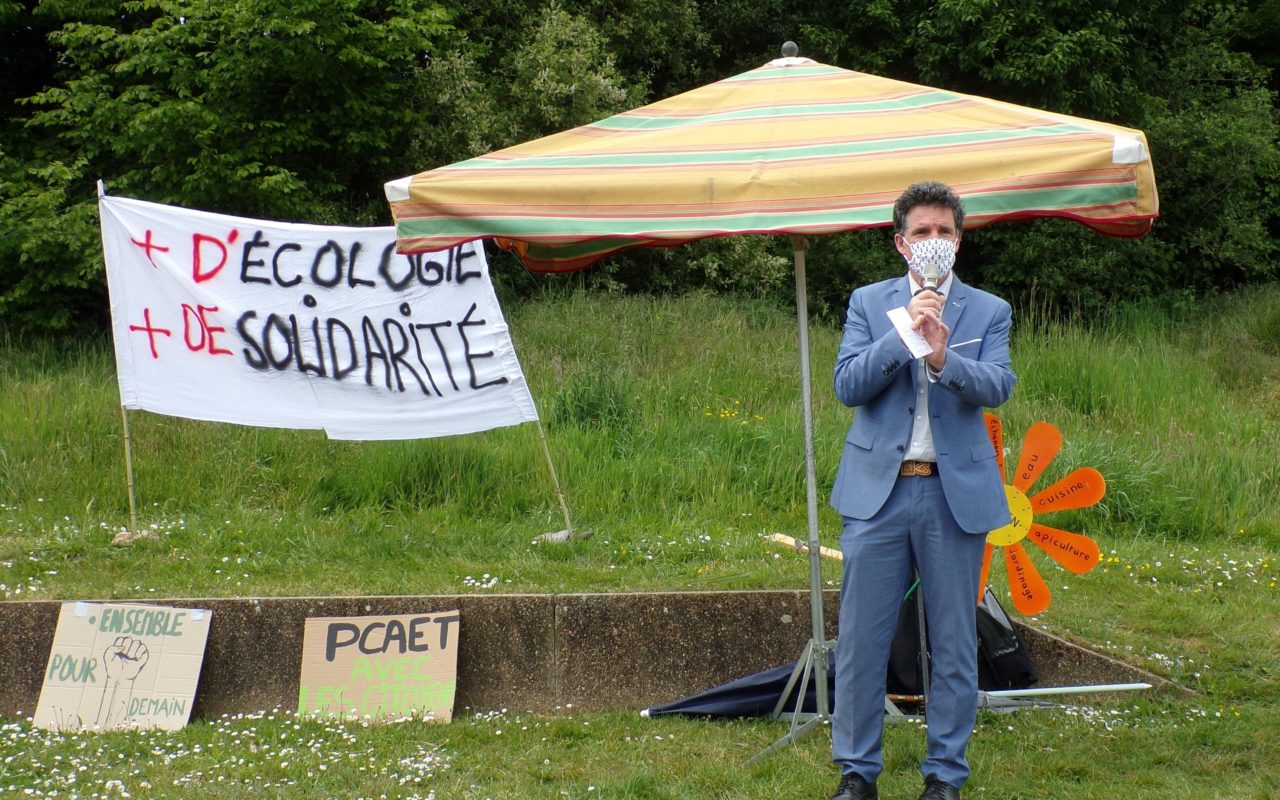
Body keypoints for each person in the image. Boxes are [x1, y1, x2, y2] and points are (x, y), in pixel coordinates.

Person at [827, 181, 1016, 800]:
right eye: (922, 231)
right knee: (862, 642)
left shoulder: (988, 310)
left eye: (944, 231)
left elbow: (998, 386)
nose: (933, 240)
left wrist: (941, 360)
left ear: (959, 240)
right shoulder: (867, 301)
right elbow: (848, 385)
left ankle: (944, 776)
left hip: (952, 497)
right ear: (900, 242)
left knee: (954, 643)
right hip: (877, 496)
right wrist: (903, 334)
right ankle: (857, 773)